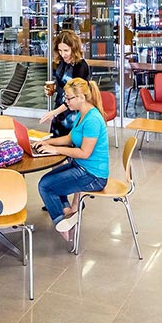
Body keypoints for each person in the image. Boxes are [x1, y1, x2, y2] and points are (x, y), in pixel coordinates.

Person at [34, 77, 109, 241]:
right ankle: (68, 213)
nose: (65, 101)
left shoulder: (93, 119)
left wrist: (54, 149)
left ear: (82, 97)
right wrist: (46, 142)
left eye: (68, 98)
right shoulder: (82, 114)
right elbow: (69, 138)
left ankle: (62, 225)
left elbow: (84, 153)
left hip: (93, 175)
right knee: (48, 181)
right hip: (81, 167)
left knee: (46, 186)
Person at [39, 29, 90, 137]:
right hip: (60, 107)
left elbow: (76, 96)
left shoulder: (80, 66)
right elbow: (61, 85)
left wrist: (54, 112)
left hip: (74, 111)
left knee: (69, 143)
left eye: (66, 50)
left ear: (74, 48)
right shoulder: (62, 62)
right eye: (60, 50)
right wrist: (52, 90)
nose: (63, 54)